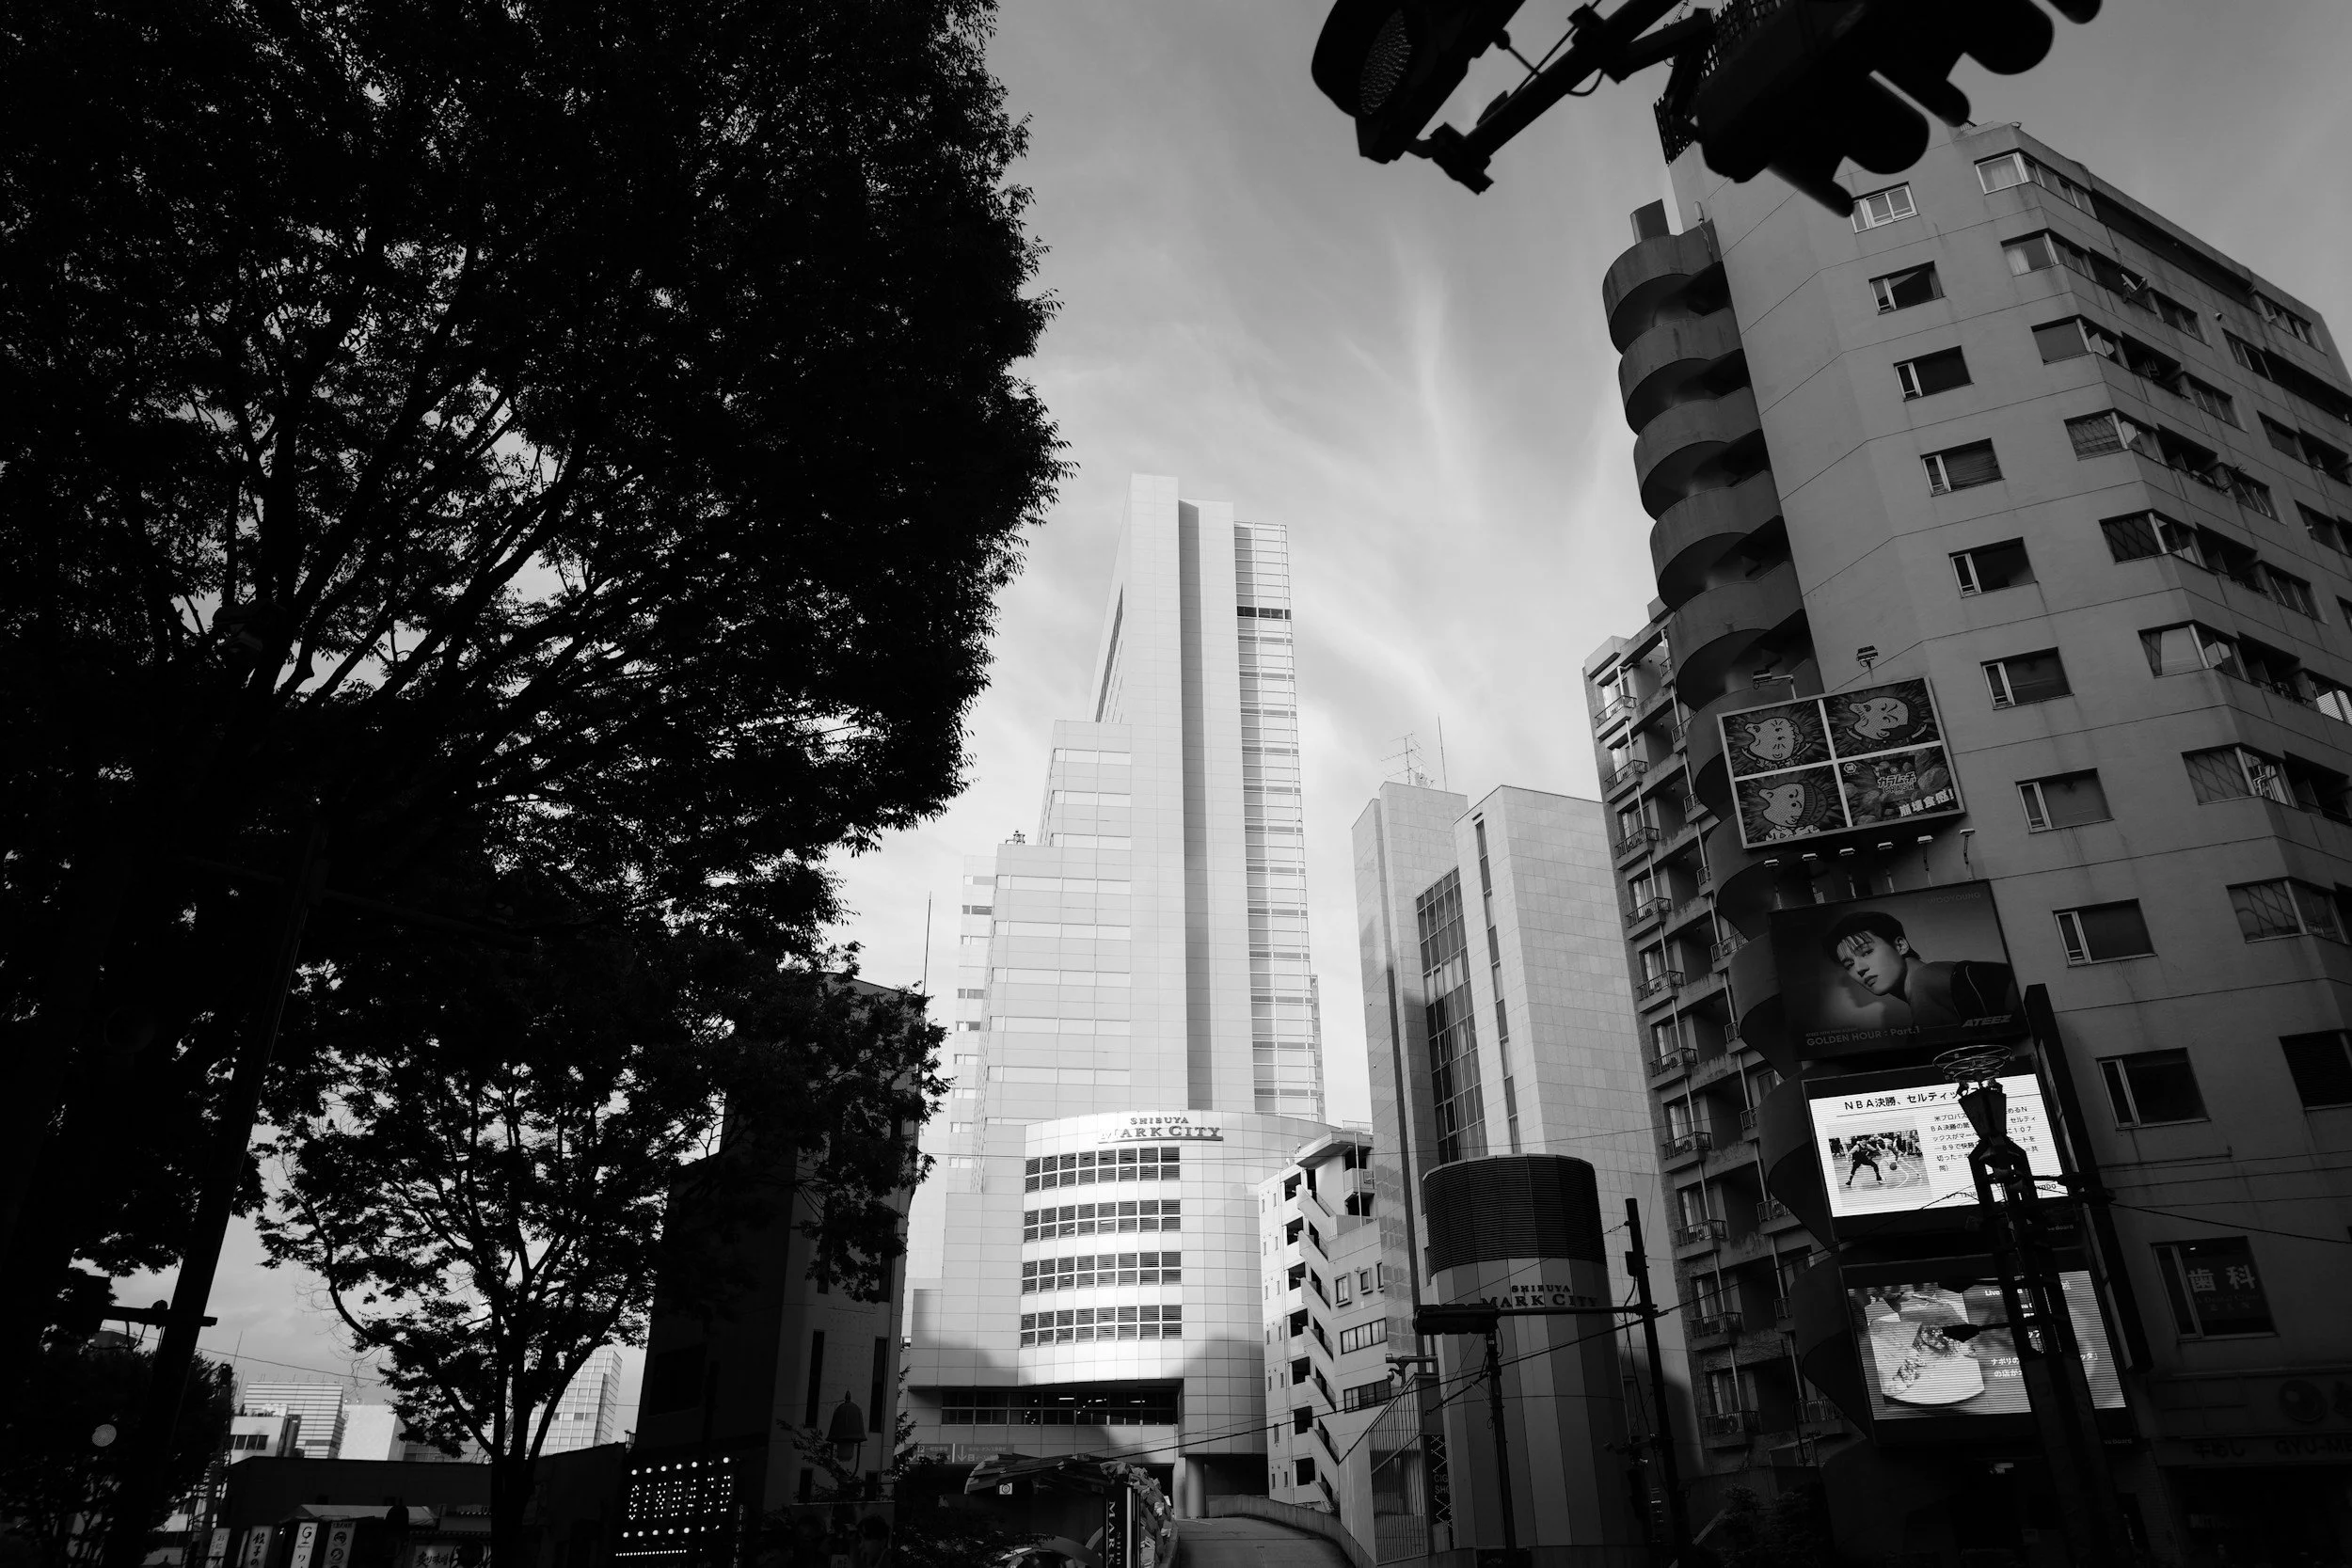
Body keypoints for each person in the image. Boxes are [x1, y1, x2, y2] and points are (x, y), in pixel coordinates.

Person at [1820, 909, 2020, 1030]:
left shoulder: (1925, 979)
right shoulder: (1943, 976)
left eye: (1866, 952)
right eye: (1849, 965)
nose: (1859, 969)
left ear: (1900, 946)